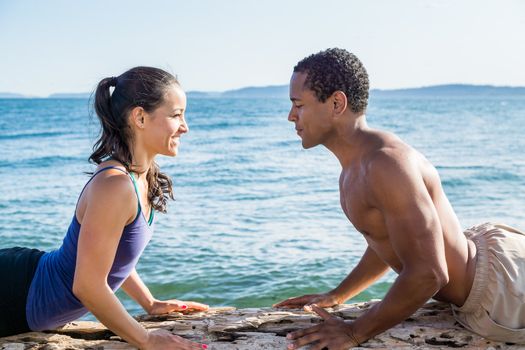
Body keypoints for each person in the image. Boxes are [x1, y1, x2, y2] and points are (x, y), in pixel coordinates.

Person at [274, 48, 525, 349]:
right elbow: (386, 239)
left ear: (337, 103)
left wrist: (355, 331)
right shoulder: (356, 167)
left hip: (504, 289)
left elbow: (429, 273)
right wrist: (339, 294)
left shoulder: (385, 164)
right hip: (487, 261)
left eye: (298, 105)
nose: (291, 116)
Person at [0, 66, 209, 350]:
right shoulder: (115, 185)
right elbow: (87, 286)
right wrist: (146, 339)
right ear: (140, 117)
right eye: (176, 115)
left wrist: (150, 303)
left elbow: (112, 255)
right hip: (13, 292)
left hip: (26, 290)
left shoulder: (139, 176)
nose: (185, 126)